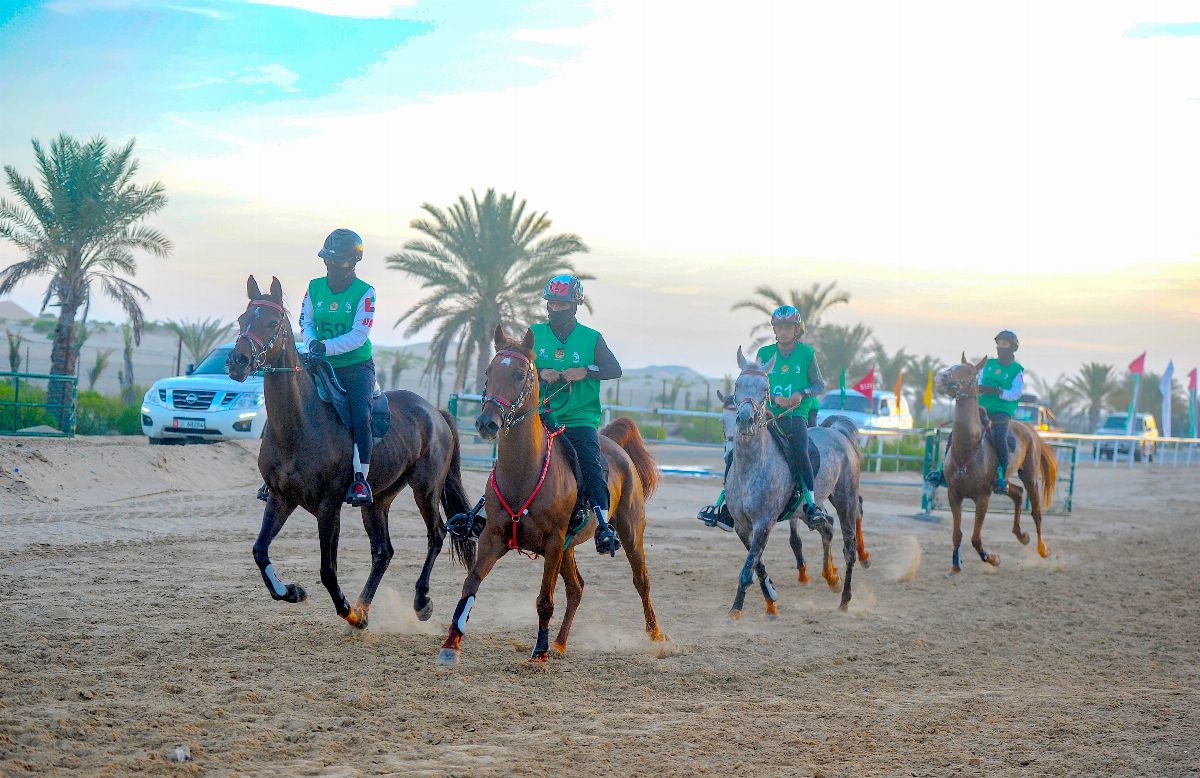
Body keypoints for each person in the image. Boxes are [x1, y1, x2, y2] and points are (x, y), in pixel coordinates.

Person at [447, 274, 625, 557]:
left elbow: (614, 368)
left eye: (561, 304)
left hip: (579, 418)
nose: (555, 309)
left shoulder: (592, 338)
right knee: (513, 459)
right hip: (542, 414)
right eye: (551, 304)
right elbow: (521, 368)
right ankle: (479, 514)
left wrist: (586, 371)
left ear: (574, 305)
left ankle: (603, 526)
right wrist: (542, 372)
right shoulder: (536, 334)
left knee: (591, 463)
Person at [698, 305, 831, 531]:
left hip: (796, 414)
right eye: (779, 327)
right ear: (775, 329)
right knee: (736, 452)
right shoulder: (765, 354)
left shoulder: (808, 354)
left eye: (789, 327)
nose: (784, 331)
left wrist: (801, 394)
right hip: (766, 414)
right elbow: (754, 385)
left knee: (801, 449)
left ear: (796, 329)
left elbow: (819, 384)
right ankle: (726, 508)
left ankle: (811, 505)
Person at [299, 228, 379, 506]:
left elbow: (359, 335)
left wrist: (326, 347)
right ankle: (278, 472)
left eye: (338, 261)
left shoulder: (365, 293)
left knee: (360, 416)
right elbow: (306, 323)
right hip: (318, 360)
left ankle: (360, 479)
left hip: (355, 366)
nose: (331, 266)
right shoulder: (313, 287)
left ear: (352, 262)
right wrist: (312, 344)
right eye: (328, 260)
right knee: (293, 402)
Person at [924, 330, 1024, 494]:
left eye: (1004, 344)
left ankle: (1001, 477)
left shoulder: (1016, 370)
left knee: (999, 438)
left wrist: (997, 391)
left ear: (1012, 347)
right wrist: (982, 388)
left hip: (1001, 411)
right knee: (956, 432)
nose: (1000, 347)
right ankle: (942, 471)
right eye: (998, 343)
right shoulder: (989, 364)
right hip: (981, 406)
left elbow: (1016, 393)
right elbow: (980, 381)